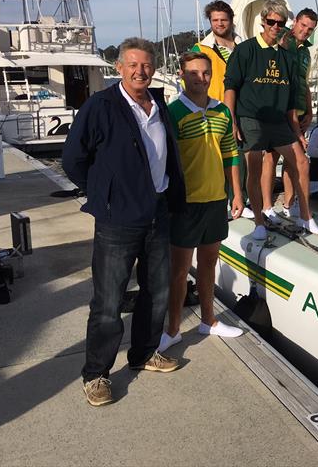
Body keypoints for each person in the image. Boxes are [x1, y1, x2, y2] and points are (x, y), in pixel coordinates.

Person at [62, 37, 186, 407]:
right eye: (132, 64)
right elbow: (73, 159)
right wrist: (103, 194)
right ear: (118, 68)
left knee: (156, 291)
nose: (140, 71)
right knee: (108, 300)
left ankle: (144, 353)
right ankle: (97, 373)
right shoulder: (101, 106)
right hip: (118, 220)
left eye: (146, 65)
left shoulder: (157, 104)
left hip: (157, 214)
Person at [158, 51, 245, 354]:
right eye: (193, 73)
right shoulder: (173, 112)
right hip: (185, 203)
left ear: (212, 75)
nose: (200, 78)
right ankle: (172, 330)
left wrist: (237, 192)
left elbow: (231, 153)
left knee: (209, 264)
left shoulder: (222, 112)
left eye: (205, 73)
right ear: (182, 75)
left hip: (215, 201)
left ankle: (209, 320)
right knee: (179, 271)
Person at [223, 0, 318, 241]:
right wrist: (232, 122)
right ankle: (259, 220)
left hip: (279, 121)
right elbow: (231, 87)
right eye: (271, 22)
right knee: (255, 167)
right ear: (263, 21)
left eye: (280, 23)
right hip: (251, 118)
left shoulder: (287, 57)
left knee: (301, 162)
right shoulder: (246, 50)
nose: (275, 27)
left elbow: (291, 98)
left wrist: (298, 131)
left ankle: (306, 217)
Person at [191, 0, 251, 218]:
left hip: (242, 108)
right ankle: (223, 202)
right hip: (214, 110)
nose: (219, 24)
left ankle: (239, 200)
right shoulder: (201, 48)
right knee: (216, 158)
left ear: (231, 20)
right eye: (215, 20)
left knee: (239, 156)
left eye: (223, 20)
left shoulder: (243, 45)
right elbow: (192, 77)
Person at [261, 8, 318, 221]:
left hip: (300, 111)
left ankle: (288, 204)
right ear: (295, 22)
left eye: (310, 29)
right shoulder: (283, 41)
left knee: (291, 161)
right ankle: (267, 207)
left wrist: (310, 111)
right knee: (271, 157)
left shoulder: (306, 51)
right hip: (281, 111)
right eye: (303, 26)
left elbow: (304, 82)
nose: (305, 31)